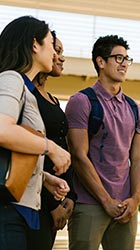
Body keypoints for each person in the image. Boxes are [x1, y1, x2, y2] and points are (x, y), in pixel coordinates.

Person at [65, 35, 140, 250]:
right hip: (89, 203)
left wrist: (135, 199)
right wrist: (105, 200)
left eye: (127, 59)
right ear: (100, 62)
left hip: (125, 206)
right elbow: (78, 156)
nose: (124, 64)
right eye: (118, 58)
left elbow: (137, 159)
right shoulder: (81, 102)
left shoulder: (134, 108)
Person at [0, 16, 71, 250]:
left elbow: (11, 150)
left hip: (21, 211)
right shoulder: (11, 80)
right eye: (51, 44)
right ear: (34, 45)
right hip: (8, 212)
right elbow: (2, 130)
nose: (55, 53)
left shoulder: (27, 91)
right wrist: (51, 148)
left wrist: (44, 178)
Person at [26, 31, 76, 250]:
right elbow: (29, 152)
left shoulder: (54, 100)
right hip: (37, 198)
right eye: (57, 50)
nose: (61, 58)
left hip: (58, 197)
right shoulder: (27, 95)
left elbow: (65, 147)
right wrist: (53, 204)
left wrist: (70, 196)